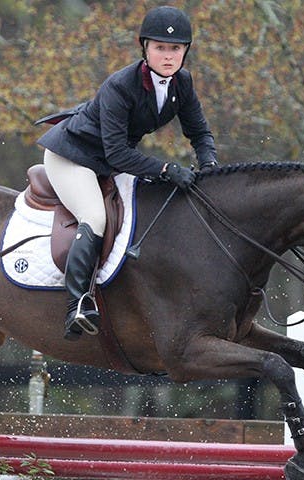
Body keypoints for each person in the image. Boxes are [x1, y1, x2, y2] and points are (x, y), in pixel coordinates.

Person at [36, 5, 217, 341]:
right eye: (160, 47)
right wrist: (165, 169)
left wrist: (209, 168)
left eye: (175, 49)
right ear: (144, 48)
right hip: (73, 156)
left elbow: (200, 133)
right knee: (95, 216)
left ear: (185, 52)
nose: (168, 56)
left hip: (109, 161)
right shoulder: (121, 85)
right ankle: (77, 304)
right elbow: (118, 151)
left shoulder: (183, 84)